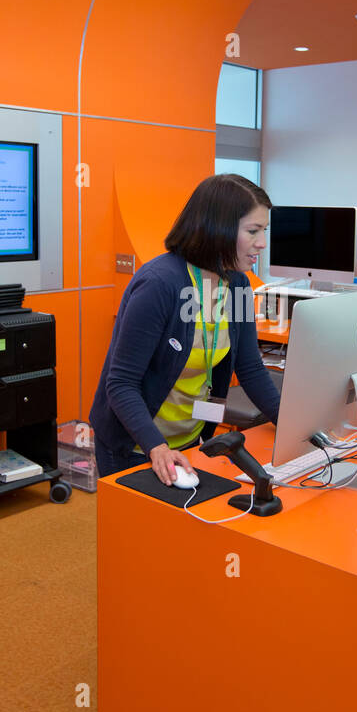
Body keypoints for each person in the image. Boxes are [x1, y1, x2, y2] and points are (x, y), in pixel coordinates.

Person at [89, 174, 281, 483]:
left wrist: (293, 424)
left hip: (189, 439)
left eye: (264, 231)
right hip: (136, 444)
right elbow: (121, 383)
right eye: (253, 231)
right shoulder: (160, 284)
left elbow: (250, 368)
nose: (262, 243)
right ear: (219, 229)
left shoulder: (238, 285)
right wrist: (157, 447)